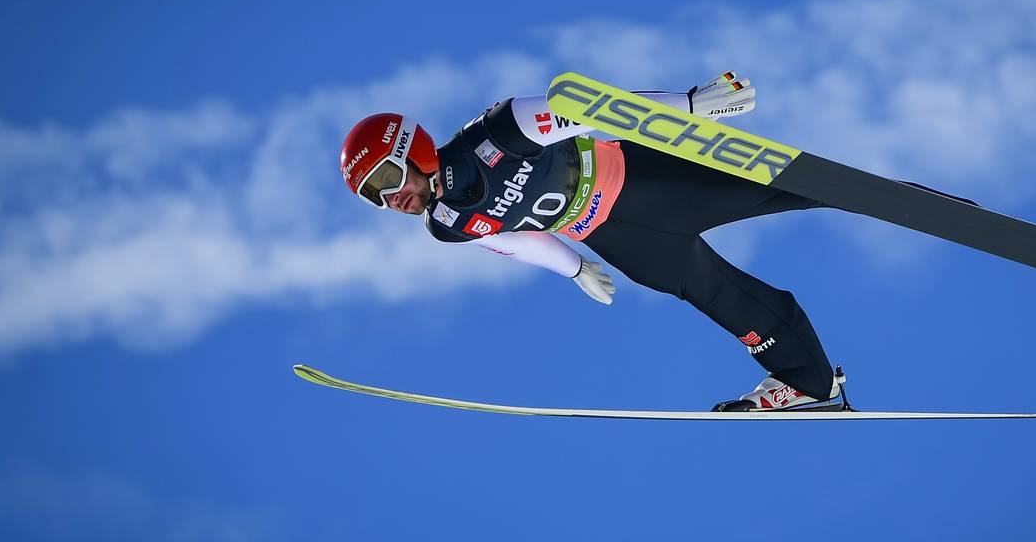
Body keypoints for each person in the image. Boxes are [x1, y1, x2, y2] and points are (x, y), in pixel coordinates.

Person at [339, 72, 844, 411]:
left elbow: (595, 111)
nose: (390, 199)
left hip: (647, 182)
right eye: (373, 197)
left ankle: (892, 199)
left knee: (780, 186)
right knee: (717, 295)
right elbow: (513, 240)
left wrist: (689, 107)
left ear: (411, 149)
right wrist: (575, 269)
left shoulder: (497, 133)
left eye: (386, 179)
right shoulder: (447, 224)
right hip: (616, 238)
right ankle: (809, 382)